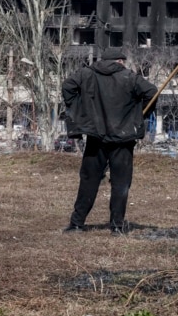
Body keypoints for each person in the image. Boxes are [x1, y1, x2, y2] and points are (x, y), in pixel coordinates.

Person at [61, 48, 157, 235]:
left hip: (95, 137)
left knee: (89, 180)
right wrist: (138, 113)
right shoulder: (130, 77)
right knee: (121, 183)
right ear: (120, 61)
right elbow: (152, 92)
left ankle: (77, 224)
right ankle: (117, 227)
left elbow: (67, 87)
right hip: (123, 138)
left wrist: (80, 113)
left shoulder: (86, 73)